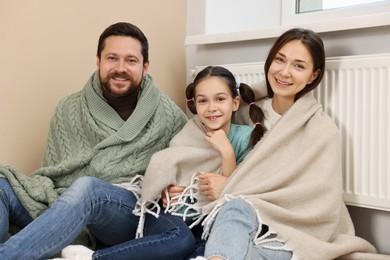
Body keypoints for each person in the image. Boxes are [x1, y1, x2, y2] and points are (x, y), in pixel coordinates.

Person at [0, 22, 193, 260]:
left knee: (89, 188)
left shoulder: (168, 115)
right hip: (67, 205)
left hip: (125, 211)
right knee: (2, 186)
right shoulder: (68, 108)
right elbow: (52, 174)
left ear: (145, 66)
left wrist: (174, 185)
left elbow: (189, 165)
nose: (120, 68)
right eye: (112, 58)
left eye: (131, 60)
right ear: (98, 61)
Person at [194, 28, 378, 260]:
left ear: (313, 75)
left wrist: (230, 188)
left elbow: (319, 201)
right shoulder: (243, 111)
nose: (284, 72)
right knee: (234, 215)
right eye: (280, 60)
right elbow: (200, 146)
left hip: (292, 231)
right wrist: (179, 181)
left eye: (299, 66)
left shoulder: (320, 130)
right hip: (243, 220)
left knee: (236, 223)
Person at [59, 65, 265, 259]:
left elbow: (241, 192)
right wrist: (165, 190)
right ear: (194, 105)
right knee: (179, 238)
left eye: (220, 99)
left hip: (206, 224)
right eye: (203, 101)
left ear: (235, 102)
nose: (212, 108)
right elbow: (165, 166)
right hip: (172, 217)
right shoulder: (189, 133)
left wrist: (227, 153)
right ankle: (91, 256)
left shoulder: (246, 137)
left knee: (196, 246)